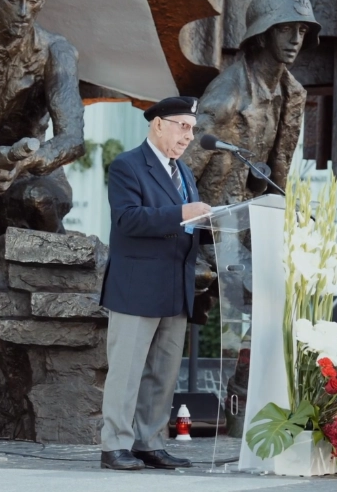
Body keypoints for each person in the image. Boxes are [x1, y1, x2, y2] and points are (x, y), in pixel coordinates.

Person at [98, 96, 212, 471]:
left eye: (193, 129)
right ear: (159, 124)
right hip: (137, 287)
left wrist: (215, 226)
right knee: (127, 373)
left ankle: (149, 443)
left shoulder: (185, 173)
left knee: (162, 375)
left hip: (175, 287)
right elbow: (128, 219)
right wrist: (182, 212)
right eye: (183, 126)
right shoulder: (128, 165)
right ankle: (115, 445)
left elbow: (186, 227)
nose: (189, 136)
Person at [184, 0, 320, 206]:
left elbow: (279, 168)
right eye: (285, 29)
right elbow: (182, 172)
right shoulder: (226, 98)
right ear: (262, 35)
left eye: (302, 30)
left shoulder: (293, 94)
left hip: (259, 215)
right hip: (216, 218)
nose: (295, 39)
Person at [0, 0, 85, 236]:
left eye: (33, 0)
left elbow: (72, 139)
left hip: (29, 174)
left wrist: (22, 163)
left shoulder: (56, 52)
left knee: (37, 199)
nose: (24, 12)